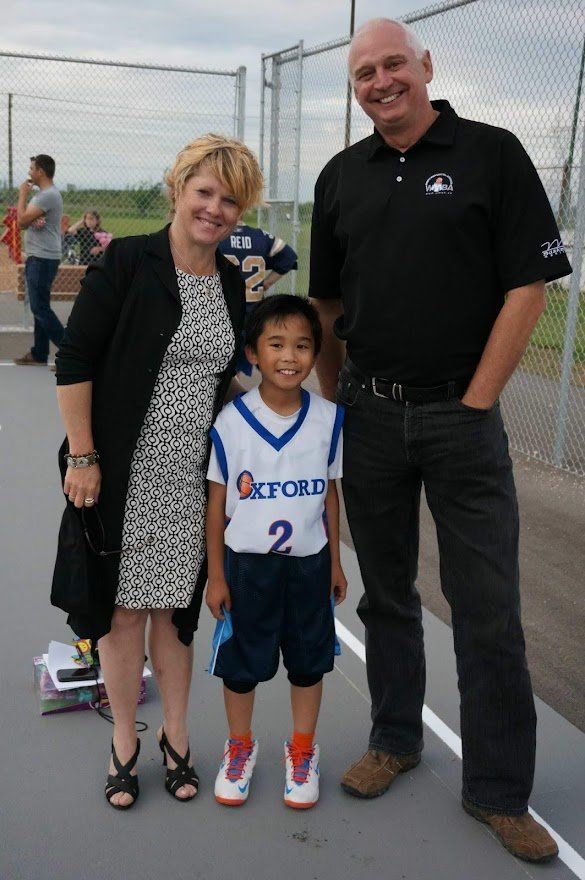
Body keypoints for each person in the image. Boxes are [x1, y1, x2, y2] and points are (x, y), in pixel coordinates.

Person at [309, 18, 572, 863]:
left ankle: (497, 791)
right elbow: (325, 304)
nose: (380, 81)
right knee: (385, 595)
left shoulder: (491, 154)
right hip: (370, 417)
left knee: (486, 608)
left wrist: (475, 400)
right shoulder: (339, 176)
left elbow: (527, 287)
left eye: (393, 64)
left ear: (424, 66)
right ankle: (393, 738)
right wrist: (337, 400)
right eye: (364, 73)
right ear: (354, 88)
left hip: (462, 420)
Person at [52, 134, 263, 810]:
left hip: (190, 477)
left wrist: (272, 422)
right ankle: (124, 741)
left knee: (174, 615)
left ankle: (177, 737)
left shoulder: (229, 280)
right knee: (121, 615)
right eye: (204, 192)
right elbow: (75, 358)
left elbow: (219, 378)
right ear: (176, 189)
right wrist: (83, 454)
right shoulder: (128, 260)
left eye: (230, 201)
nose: (215, 209)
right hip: (121, 470)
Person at [205, 294, 347, 809]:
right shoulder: (231, 421)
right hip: (248, 567)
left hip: (309, 566)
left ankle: (302, 749)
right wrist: (216, 575)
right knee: (241, 666)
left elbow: (330, 495)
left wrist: (335, 563)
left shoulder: (329, 419)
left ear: (315, 354)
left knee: (309, 663)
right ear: (253, 354)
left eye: (303, 346)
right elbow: (216, 503)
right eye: (276, 344)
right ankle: (239, 747)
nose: (290, 356)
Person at [219, 223, 297, 375]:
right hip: (251, 315)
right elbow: (289, 257)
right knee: (238, 367)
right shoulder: (260, 236)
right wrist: (267, 282)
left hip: (223, 313)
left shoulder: (216, 235)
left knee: (223, 368)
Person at [14, 154, 64, 366]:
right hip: (40, 257)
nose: (29, 172)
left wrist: (22, 195)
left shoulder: (47, 195)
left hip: (42, 258)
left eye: (32, 168)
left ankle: (73, 355)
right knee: (40, 306)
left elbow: (21, 222)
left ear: (41, 171)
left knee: (40, 308)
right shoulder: (46, 195)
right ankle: (39, 353)